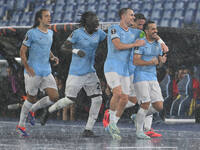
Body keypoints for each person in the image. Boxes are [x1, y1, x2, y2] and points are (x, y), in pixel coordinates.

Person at [39, 11, 107, 137]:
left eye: (97, 19)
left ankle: (88, 129)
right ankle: (48, 110)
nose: (97, 21)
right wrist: (76, 50)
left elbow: (110, 42)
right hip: (76, 72)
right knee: (69, 100)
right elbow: (63, 47)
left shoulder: (100, 34)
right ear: (86, 21)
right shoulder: (77, 33)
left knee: (98, 99)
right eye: (94, 19)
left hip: (91, 72)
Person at [16, 8, 59, 137]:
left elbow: (46, 47)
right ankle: (21, 125)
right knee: (31, 98)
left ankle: (32, 110)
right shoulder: (31, 33)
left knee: (55, 97)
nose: (49, 18)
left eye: (49, 16)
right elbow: (22, 52)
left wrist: (52, 57)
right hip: (33, 71)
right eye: (46, 16)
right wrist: (27, 67)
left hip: (46, 71)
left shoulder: (51, 33)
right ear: (39, 19)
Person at [104, 8, 145, 140]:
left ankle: (113, 125)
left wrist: (161, 43)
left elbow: (146, 35)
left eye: (134, 15)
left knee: (126, 99)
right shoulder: (114, 28)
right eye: (131, 15)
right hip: (112, 67)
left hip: (125, 71)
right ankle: (110, 121)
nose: (133, 17)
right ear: (123, 16)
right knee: (117, 92)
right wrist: (135, 43)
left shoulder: (135, 32)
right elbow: (118, 46)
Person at [133, 20, 167, 139]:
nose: (155, 31)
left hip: (152, 76)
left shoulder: (158, 44)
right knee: (146, 104)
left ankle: (138, 116)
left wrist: (161, 62)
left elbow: (159, 62)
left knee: (159, 106)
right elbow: (135, 61)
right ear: (146, 31)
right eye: (152, 29)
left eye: (156, 29)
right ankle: (139, 132)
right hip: (140, 76)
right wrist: (149, 62)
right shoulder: (140, 43)